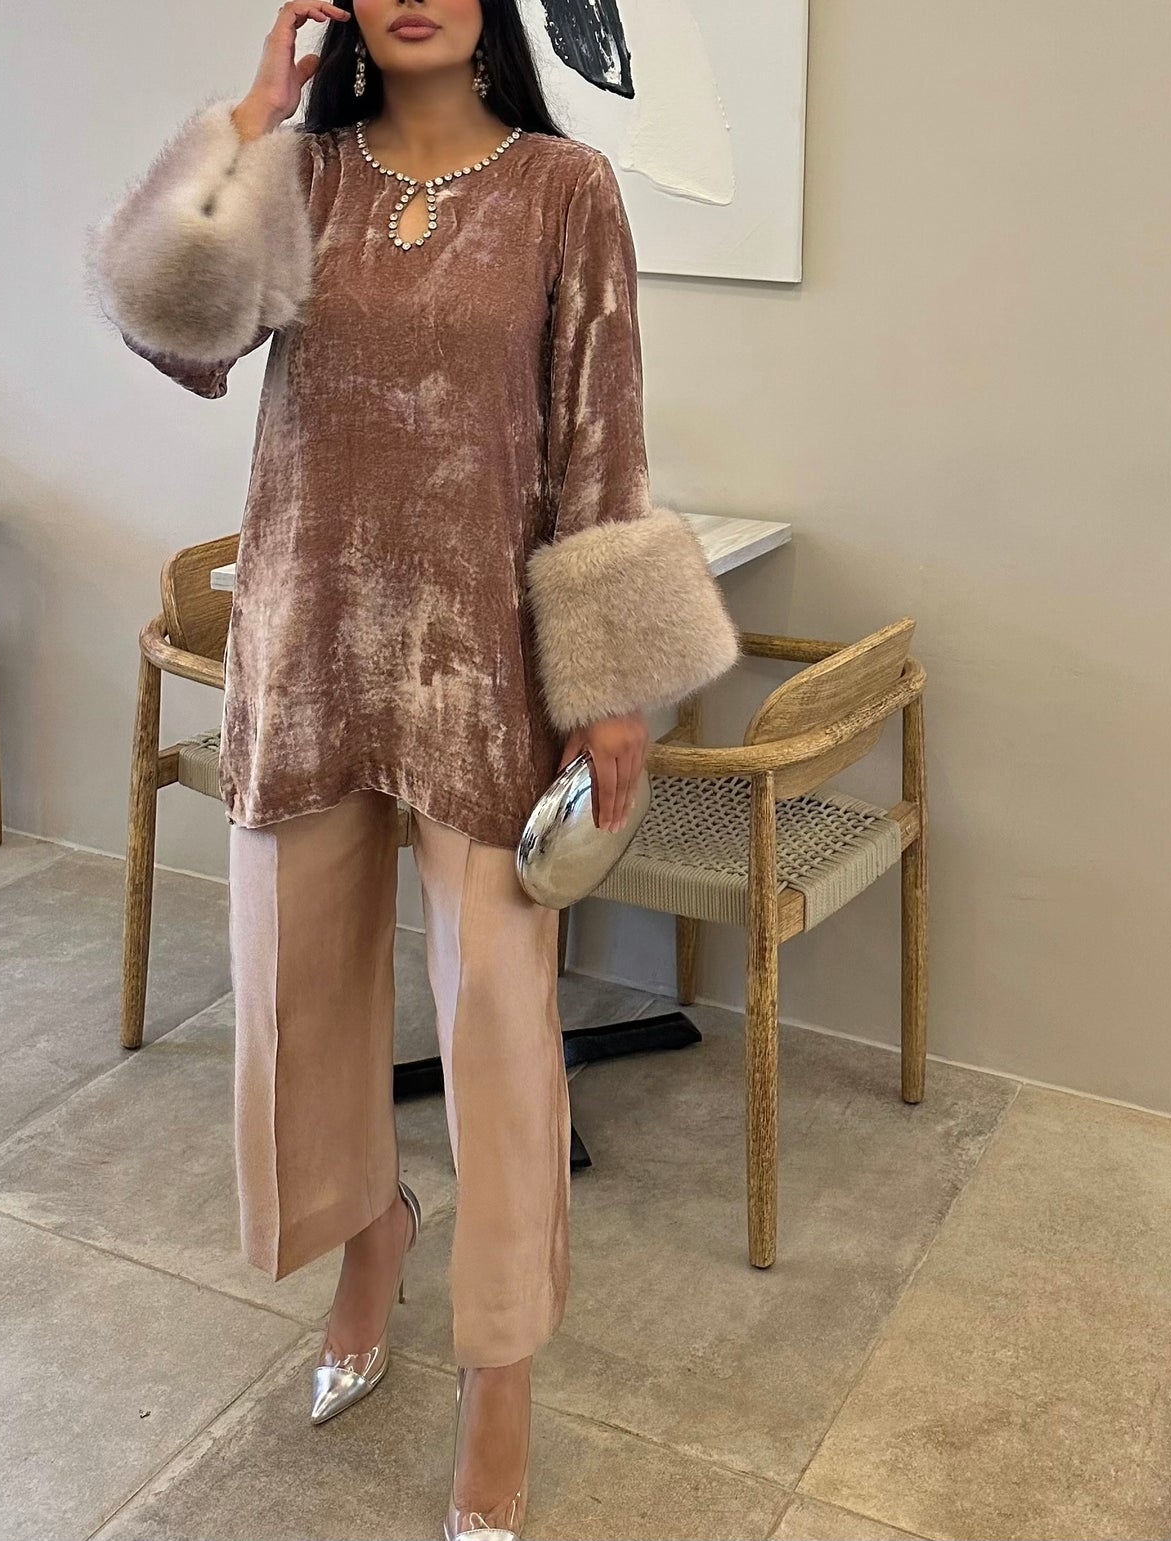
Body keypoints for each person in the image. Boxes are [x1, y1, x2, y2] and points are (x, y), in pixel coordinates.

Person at [89, 3, 739, 1535]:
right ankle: (367, 1231)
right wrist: (249, 119)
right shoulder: (302, 178)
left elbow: (602, 440)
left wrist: (609, 690)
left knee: (500, 1027)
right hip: (309, 644)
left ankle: (497, 1374)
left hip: (484, 667)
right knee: (292, 994)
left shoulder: (564, 189)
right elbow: (171, 335)